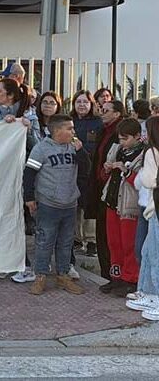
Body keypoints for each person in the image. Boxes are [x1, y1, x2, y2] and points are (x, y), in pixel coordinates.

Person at [24, 114, 89, 295]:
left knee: (66, 242)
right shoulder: (41, 149)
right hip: (48, 204)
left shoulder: (73, 147)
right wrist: (29, 198)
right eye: (69, 128)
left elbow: (86, 169)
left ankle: (63, 275)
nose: (73, 131)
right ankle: (41, 276)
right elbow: (29, 174)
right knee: (44, 241)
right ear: (57, 130)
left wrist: (81, 151)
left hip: (69, 204)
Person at [99, 118, 145, 296]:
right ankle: (116, 277)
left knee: (129, 244)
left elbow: (143, 182)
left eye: (125, 139)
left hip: (129, 205)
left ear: (137, 136)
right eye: (120, 139)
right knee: (114, 243)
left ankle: (130, 279)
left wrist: (127, 171)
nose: (122, 143)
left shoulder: (144, 154)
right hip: (112, 200)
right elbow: (103, 176)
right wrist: (107, 169)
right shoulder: (117, 149)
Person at [87, 100, 127, 284]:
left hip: (113, 190)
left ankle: (114, 275)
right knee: (102, 234)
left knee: (110, 237)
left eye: (106, 110)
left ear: (117, 113)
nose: (101, 112)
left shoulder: (120, 132)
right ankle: (107, 274)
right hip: (100, 187)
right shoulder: (104, 130)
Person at [127, 117, 159, 319]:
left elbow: (147, 179)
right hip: (153, 207)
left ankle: (155, 296)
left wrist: (140, 176)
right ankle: (148, 293)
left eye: (146, 130)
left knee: (154, 252)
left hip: (155, 206)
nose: (143, 134)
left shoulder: (151, 152)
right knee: (148, 249)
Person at [70, 90, 102, 257]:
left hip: (90, 169)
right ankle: (76, 238)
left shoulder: (98, 123)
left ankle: (91, 241)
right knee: (74, 204)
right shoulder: (70, 121)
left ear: (91, 104)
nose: (81, 105)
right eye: (78, 102)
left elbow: (98, 146)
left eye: (85, 102)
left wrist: (83, 149)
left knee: (88, 205)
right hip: (71, 168)